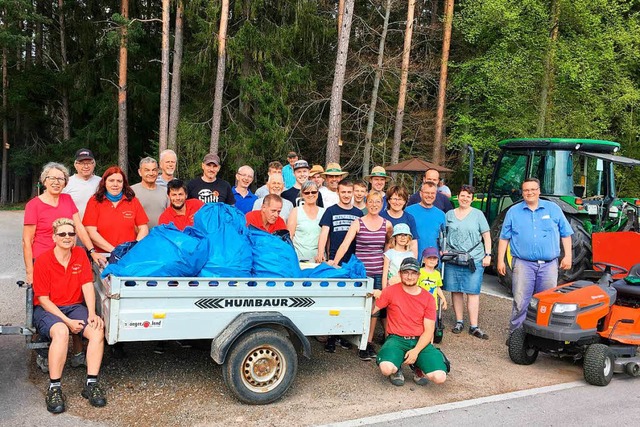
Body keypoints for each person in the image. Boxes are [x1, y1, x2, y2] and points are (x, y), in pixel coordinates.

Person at [24, 162, 105, 370]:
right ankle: (43, 349)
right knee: (42, 304)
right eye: (51, 178)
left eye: (60, 179)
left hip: (68, 258)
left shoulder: (67, 200)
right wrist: (30, 271)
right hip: (43, 262)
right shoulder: (34, 205)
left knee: (74, 299)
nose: (56, 182)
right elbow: (27, 240)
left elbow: (78, 226)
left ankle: (78, 350)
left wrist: (91, 251)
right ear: (43, 181)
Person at [33, 218, 107, 413]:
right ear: (54, 237)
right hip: (49, 308)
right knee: (61, 332)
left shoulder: (80, 255)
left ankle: (91, 384)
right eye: (62, 234)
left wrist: (92, 313)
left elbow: (87, 285)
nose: (67, 237)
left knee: (97, 331)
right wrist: (66, 322)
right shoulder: (43, 260)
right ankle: (54, 388)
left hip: (74, 306)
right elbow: (43, 299)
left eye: (71, 234)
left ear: (75, 238)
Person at [498, 178, 573, 339]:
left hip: (549, 265)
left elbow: (566, 234)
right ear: (522, 192)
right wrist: (499, 260)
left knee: (546, 303)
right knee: (520, 302)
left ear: (539, 191)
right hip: (523, 264)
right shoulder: (514, 211)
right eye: (526, 190)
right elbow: (504, 237)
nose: (530, 193)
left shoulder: (553, 209)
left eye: (533, 189)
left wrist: (568, 256)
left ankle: (543, 337)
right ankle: (516, 337)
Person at [330, 190, 392, 361]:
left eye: (377, 202)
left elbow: (388, 250)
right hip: (360, 273)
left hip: (378, 271)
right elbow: (345, 244)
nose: (374, 205)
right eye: (371, 202)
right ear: (366, 203)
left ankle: (367, 343)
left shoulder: (387, 225)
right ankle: (350, 336)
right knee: (358, 306)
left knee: (374, 309)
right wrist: (335, 263)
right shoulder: (358, 222)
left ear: (382, 204)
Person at [372, 257, 448, 387]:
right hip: (397, 339)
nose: (409, 276)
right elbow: (372, 311)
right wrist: (372, 294)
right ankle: (397, 367)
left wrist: (416, 351)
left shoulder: (428, 298)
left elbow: (429, 330)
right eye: (406, 272)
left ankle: (417, 363)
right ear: (400, 274)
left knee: (439, 377)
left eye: (413, 273)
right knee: (386, 368)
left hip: (420, 340)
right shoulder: (390, 291)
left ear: (418, 275)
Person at [443, 184, 491, 339]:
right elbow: (444, 233)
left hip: (473, 258)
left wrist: (488, 254)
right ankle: (459, 321)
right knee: (455, 290)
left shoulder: (478, 215)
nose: (465, 199)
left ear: (472, 199)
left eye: (468, 196)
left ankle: (474, 325)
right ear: (458, 196)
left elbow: (486, 236)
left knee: (472, 291)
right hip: (454, 257)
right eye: (462, 195)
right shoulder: (449, 214)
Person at [83, 166, 149, 253]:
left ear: (123, 183)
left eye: (119, 181)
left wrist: (134, 248)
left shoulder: (132, 200)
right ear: (104, 182)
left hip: (128, 255)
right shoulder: (94, 201)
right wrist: (114, 251)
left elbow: (143, 228)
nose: (115, 184)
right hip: (103, 256)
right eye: (111, 181)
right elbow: (91, 232)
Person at [316, 179, 363, 264]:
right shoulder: (330, 211)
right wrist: (320, 253)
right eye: (343, 192)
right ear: (338, 192)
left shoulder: (359, 213)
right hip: (333, 258)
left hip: (353, 259)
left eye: (349, 192)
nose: (346, 195)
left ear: (353, 193)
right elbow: (324, 234)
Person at [405, 181, 446, 258]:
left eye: (432, 193)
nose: (429, 196)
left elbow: (444, 240)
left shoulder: (441, 215)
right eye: (426, 193)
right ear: (421, 193)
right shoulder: (409, 211)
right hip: (413, 261)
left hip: (434, 262)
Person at [287, 180, 325, 261]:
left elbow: (327, 238)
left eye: (314, 192)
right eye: (307, 193)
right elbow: (289, 236)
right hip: (299, 259)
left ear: (318, 193)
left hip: (319, 259)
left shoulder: (324, 212)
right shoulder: (296, 211)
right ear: (302, 194)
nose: (311, 195)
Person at [380, 185, 419, 257]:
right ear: (389, 200)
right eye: (394, 199)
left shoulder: (409, 218)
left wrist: (413, 261)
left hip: (403, 259)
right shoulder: (381, 217)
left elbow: (413, 243)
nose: (397, 202)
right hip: (383, 259)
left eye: (400, 199)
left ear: (405, 201)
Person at [62, 148, 101, 220]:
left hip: (96, 228)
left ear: (94, 164)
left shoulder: (101, 182)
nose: (86, 166)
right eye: (82, 163)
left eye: (89, 163)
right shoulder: (66, 183)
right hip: (74, 228)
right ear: (76, 165)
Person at [131, 157, 168, 228]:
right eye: (147, 170)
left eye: (154, 170)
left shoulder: (165, 192)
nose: (151, 173)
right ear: (140, 172)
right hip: (139, 236)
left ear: (157, 172)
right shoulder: (131, 192)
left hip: (161, 236)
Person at [382, 223, 414, 288]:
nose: (402, 238)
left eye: (405, 235)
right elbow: (384, 275)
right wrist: (384, 290)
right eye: (399, 235)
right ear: (395, 237)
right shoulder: (389, 253)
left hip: (406, 286)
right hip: (392, 286)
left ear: (408, 238)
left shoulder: (410, 254)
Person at [418, 247, 447, 313]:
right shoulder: (419, 272)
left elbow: (437, 287)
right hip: (420, 303)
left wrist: (443, 298)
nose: (432, 260)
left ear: (437, 261)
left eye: (434, 258)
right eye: (429, 258)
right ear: (423, 260)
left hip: (432, 304)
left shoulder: (437, 274)